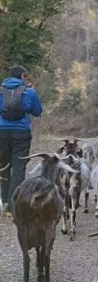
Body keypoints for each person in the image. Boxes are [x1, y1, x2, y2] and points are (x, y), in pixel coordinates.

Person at [0, 65, 43, 216]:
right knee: (19, 167)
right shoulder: (29, 92)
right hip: (21, 133)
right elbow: (37, 112)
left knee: (3, 166)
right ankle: (13, 206)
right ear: (22, 76)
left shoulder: (1, 90)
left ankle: (4, 201)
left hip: (1, 132)